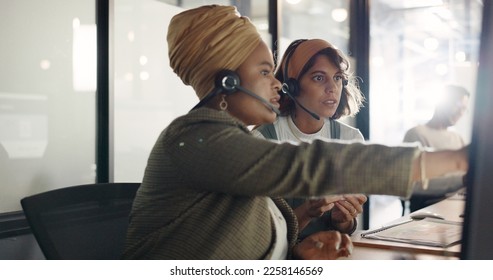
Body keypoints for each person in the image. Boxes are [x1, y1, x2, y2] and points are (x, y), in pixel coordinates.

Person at [122, 5, 468, 260]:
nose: (276, 86)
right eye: (264, 72)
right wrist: (455, 160)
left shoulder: (231, 141)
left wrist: (302, 250)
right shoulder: (194, 138)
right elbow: (307, 165)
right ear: (225, 82)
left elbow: (254, 242)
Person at [252, 39, 367, 239]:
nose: (333, 87)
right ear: (291, 87)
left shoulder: (351, 139)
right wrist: (307, 211)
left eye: (338, 77)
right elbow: (260, 235)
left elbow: (347, 229)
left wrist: (343, 219)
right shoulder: (262, 141)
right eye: (319, 78)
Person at [403, 85, 470, 211]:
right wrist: (461, 180)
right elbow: (412, 185)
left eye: (464, 109)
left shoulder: (458, 138)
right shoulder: (417, 134)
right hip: (428, 208)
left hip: (456, 205)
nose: (460, 112)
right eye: (458, 105)